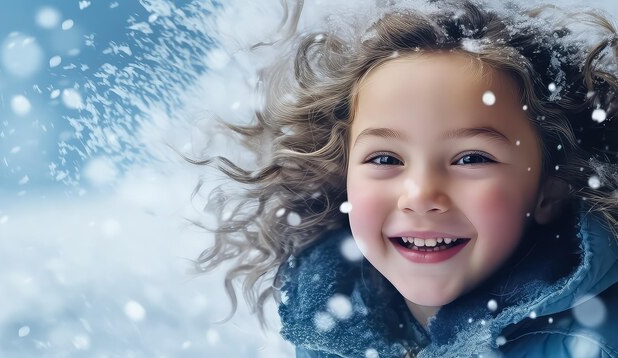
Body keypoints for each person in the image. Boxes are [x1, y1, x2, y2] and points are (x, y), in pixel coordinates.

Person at [193, 0, 618, 356]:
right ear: (343, 177)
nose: (419, 195)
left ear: (550, 190)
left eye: (471, 158)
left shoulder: (592, 342)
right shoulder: (330, 321)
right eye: (384, 158)